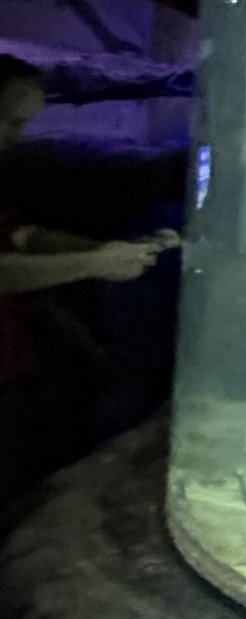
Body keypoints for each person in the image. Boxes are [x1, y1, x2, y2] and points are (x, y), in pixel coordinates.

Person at [0, 55, 177, 500]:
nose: (15, 138)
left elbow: (24, 236)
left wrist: (110, 249)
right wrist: (95, 265)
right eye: (7, 122)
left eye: (23, 124)